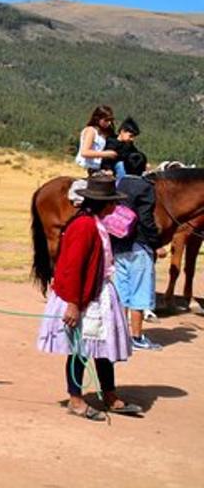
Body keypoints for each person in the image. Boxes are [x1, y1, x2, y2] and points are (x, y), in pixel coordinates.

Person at [36, 174, 141, 421]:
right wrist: (73, 304)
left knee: (102, 347)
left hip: (97, 292)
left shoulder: (96, 223)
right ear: (102, 204)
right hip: (82, 297)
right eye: (112, 203)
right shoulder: (83, 226)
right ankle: (75, 398)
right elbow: (72, 267)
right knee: (80, 349)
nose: (116, 207)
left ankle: (110, 394)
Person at [115, 150, 167, 350]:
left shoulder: (119, 184)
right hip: (139, 245)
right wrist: (157, 244)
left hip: (119, 243)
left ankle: (119, 334)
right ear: (144, 167)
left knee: (121, 291)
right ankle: (136, 337)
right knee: (140, 291)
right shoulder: (146, 188)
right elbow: (146, 219)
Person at [75, 105, 117, 176]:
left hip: (98, 167)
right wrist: (106, 154)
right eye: (106, 120)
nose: (109, 123)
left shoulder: (104, 133)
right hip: (87, 166)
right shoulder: (91, 131)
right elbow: (85, 152)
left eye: (110, 120)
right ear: (98, 119)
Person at [106, 117, 140, 182]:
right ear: (122, 131)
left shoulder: (129, 144)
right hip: (114, 169)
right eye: (131, 136)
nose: (132, 139)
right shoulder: (111, 143)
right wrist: (108, 169)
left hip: (126, 169)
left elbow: (135, 154)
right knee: (121, 165)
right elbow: (106, 159)